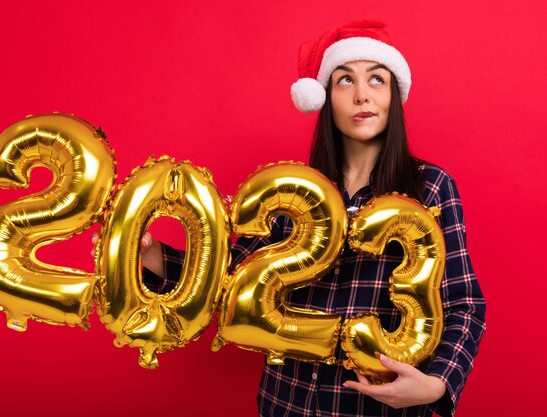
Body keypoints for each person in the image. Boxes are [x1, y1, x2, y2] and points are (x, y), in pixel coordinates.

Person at [133, 20, 486, 417]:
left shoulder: (430, 188)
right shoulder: (296, 192)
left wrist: (436, 385)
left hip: (378, 409)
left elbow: (464, 303)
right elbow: (229, 277)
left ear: (394, 95)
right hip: (287, 401)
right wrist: (151, 255)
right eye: (345, 81)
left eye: (376, 80)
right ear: (325, 98)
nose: (362, 96)